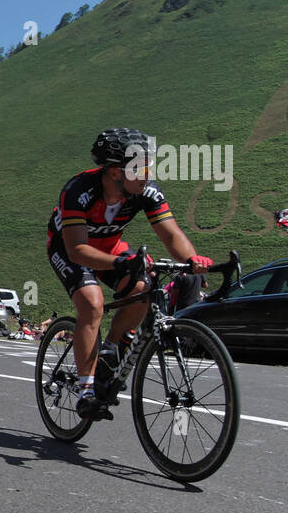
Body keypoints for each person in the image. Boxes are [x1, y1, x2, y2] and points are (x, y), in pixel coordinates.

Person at [47, 128, 212, 420]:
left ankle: (110, 351)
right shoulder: (77, 191)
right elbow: (77, 251)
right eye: (140, 168)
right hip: (72, 248)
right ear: (114, 173)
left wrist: (192, 261)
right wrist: (119, 264)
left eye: (150, 166)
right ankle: (85, 392)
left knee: (142, 289)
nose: (147, 174)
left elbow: (171, 234)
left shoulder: (145, 190)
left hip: (111, 246)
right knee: (92, 304)